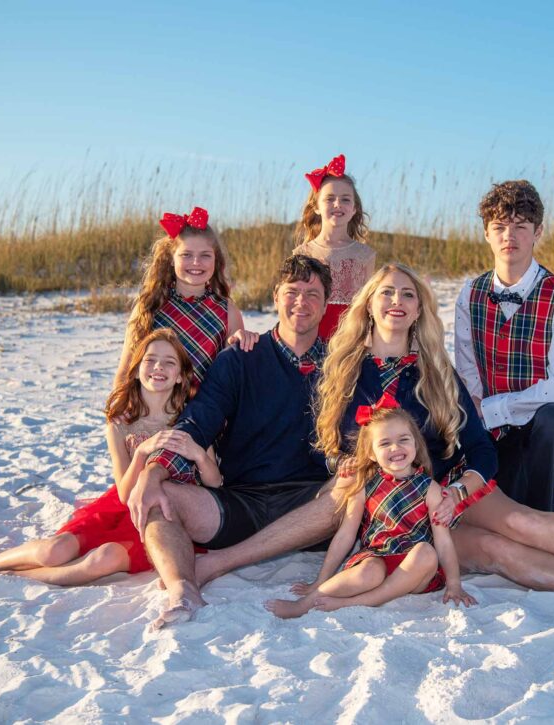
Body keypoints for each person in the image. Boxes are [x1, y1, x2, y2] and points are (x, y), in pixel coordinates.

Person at [196, 264, 554, 605]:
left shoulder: (435, 369)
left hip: (449, 491)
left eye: (408, 294)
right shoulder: (344, 370)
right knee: (501, 555)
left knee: (524, 521)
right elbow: (335, 444)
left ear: (418, 309)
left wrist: (459, 489)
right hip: (393, 514)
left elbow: (477, 445)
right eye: (386, 293)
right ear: (370, 304)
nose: (397, 302)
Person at [127, 255, 340, 629]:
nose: (301, 302)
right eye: (292, 292)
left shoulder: (339, 366)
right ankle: (182, 588)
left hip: (311, 508)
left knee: (353, 487)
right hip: (242, 501)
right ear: (276, 296)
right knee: (163, 500)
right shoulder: (241, 358)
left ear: (326, 303)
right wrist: (154, 471)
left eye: (312, 294)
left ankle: (218, 563)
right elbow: (198, 421)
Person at [0, 331, 220, 584]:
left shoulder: (191, 418)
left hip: (168, 515)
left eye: (170, 362)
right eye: (150, 360)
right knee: (54, 550)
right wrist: (143, 451)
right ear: (135, 370)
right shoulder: (121, 422)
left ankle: (17, 575)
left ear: (181, 375)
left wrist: (199, 454)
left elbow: (215, 483)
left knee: (104, 560)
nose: (159, 367)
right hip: (122, 506)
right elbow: (123, 494)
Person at [455, 180, 554, 522]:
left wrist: (493, 409)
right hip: (488, 415)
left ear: (538, 231)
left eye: (520, 227)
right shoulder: (470, 293)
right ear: (486, 233)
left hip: (543, 413)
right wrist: (476, 408)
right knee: (495, 510)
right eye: (499, 227)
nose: (508, 237)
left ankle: (544, 521)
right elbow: (467, 366)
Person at [265, 404, 474, 619]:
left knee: (426, 552)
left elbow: (443, 541)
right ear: (371, 454)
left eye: (403, 439)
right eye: (385, 443)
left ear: (415, 443)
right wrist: (320, 580)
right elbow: (346, 535)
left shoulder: (430, 488)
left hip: (416, 571)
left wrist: (454, 584)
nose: (395, 448)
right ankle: (304, 604)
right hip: (377, 556)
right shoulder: (365, 485)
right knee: (369, 572)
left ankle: (359, 602)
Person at [114, 206, 257, 390]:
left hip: (204, 415)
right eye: (186, 255)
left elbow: (234, 376)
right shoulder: (150, 305)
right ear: (171, 259)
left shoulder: (227, 311)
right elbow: (126, 369)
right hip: (153, 413)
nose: (196, 262)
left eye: (205, 255)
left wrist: (242, 341)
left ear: (216, 260)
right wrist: (119, 409)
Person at [292, 154, 376, 339]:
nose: (337, 204)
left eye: (345, 199)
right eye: (329, 198)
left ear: (354, 209)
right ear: (316, 206)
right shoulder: (302, 254)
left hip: (349, 342)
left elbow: (369, 310)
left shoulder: (365, 255)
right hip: (310, 340)